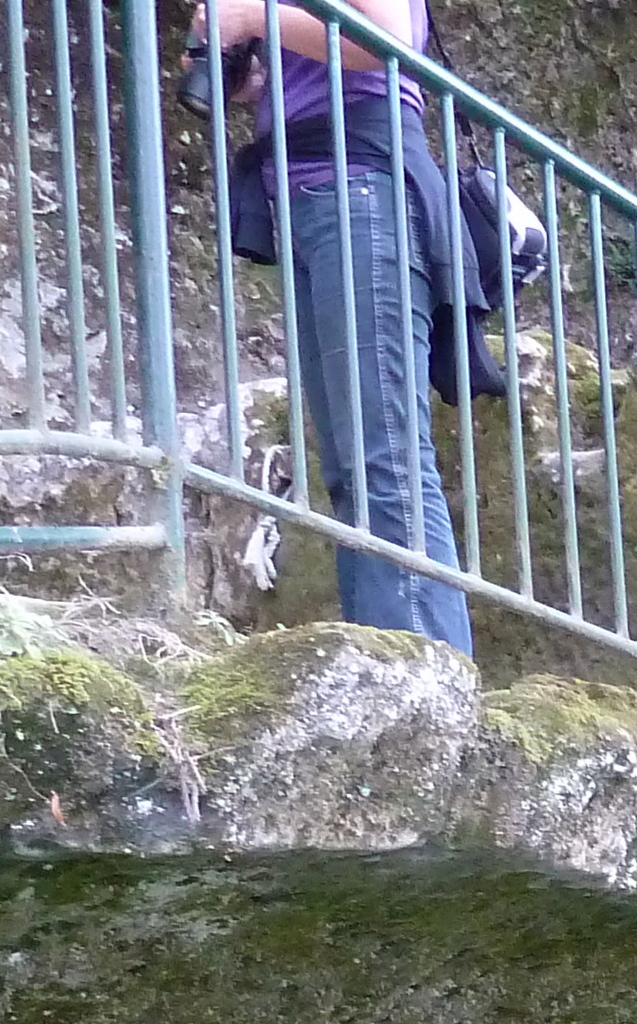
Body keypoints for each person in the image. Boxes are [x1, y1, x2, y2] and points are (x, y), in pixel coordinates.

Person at [209, 0, 474, 656]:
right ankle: (390, 668)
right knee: (352, 470)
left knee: (387, 459)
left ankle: (429, 678)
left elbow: (386, 41)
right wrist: (236, 60)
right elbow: (306, 68)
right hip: (308, 201)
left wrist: (252, 19)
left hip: (360, 190)